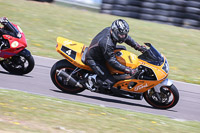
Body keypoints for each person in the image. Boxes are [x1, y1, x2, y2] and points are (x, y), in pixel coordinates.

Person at [85, 19, 147, 91]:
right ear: (115, 31)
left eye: (124, 34)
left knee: (123, 49)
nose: (123, 36)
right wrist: (127, 70)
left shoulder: (111, 31)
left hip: (102, 52)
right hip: (94, 59)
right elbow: (112, 61)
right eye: (121, 34)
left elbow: (127, 38)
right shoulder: (107, 43)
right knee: (111, 82)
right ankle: (91, 79)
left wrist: (138, 47)